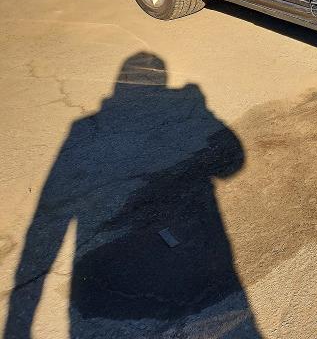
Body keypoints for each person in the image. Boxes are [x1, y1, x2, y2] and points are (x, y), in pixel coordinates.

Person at [4, 53, 260, 337]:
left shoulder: (82, 128)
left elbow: (47, 218)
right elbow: (233, 163)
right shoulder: (83, 130)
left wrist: (18, 321)